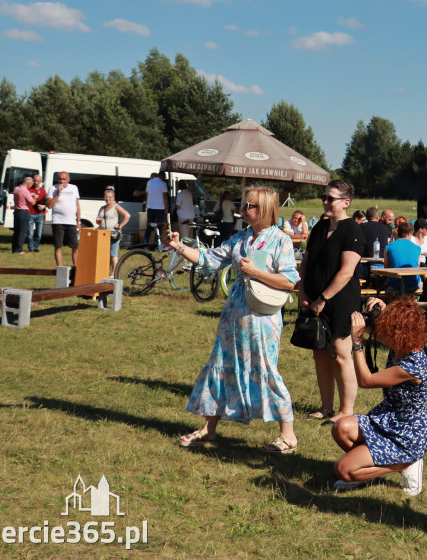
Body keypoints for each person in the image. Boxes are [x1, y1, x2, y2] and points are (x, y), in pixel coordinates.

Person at [171, 185, 300, 452]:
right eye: (243, 204)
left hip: (263, 319)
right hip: (233, 316)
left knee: (265, 370)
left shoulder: (280, 240)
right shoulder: (241, 237)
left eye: (249, 205)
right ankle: (208, 430)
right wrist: (178, 246)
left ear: (264, 209)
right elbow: (209, 258)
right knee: (220, 364)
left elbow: (289, 281)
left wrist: (256, 272)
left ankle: (288, 436)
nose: (243, 209)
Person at [332, 297, 427, 495]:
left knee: (342, 470)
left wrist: (357, 343)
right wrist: (381, 309)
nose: (383, 331)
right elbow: (377, 327)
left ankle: (406, 464)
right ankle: (368, 468)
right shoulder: (402, 344)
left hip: (406, 434)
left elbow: (366, 381)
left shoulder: (413, 364)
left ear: (399, 332)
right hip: (387, 419)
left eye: (389, 327)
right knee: (341, 428)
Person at [298, 180, 364, 424]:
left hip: (340, 301)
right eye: (324, 197)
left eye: (330, 198)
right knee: (320, 354)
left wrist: (323, 298)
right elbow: (306, 262)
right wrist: (303, 292)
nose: (325, 201)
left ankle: (346, 411)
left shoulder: (353, 231)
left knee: (341, 354)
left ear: (346, 203)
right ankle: (326, 407)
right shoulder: (318, 227)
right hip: (313, 299)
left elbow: (347, 272)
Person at [45, 171, 81, 267]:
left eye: (64, 179)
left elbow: (77, 205)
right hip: (58, 221)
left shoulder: (74, 188)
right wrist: (58, 194)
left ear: (68, 180)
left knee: (75, 246)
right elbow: (49, 205)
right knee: (58, 246)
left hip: (72, 222)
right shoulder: (53, 188)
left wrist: (79, 221)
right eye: (60, 179)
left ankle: (75, 267)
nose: (62, 181)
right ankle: (60, 267)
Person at [96, 188, 130, 277]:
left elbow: (127, 215)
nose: (108, 199)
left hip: (113, 234)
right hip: (103, 234)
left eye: (110, 197)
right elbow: (98, 220)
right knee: (105, 254)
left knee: (113, 254)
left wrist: (120, 225)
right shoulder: (102, 208)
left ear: (113, 197)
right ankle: (104, 272)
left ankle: (114, 273)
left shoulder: (116, 207)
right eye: (106, 197)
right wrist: (98, 221)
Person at [383, 221, 422, 292]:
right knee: (420, 283)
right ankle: (414, 302)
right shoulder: (417, 248)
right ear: (409, 234)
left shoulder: (388, 247)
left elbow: (386, 268)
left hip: (394, 283)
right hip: (413, 283)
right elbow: (417, 267)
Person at [134, 172, 168, 248]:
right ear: (162, 176)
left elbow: (147, 194)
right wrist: (166, 209)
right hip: (160, 208)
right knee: (159, 227)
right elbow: (165, 197)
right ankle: (156, 244)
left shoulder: (149, 182)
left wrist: (148, 204)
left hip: (150, 207)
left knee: (149, 226)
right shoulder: (163, 183)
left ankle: (145, 243)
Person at [11, 174, 34, 254]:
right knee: (22, 232)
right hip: (24, 212)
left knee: (16, 231)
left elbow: (22, 196)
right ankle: (19, 250)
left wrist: (29, 195)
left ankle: (14, 248)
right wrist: (35, 197)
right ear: (28, 183)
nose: (31, 185)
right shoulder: (26, 191)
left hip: (17, 211)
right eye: (31, 184)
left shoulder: (16, 189)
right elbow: (33, 203)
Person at [26, 173, 47, 253]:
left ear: (41, 181)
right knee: (30, 233)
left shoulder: (42, 190)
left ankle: (36, 247)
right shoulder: (28, 189)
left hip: (40, 214)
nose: (36, 182)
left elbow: (46, 200)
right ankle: (30, 248)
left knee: (38, 233)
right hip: (30, 213)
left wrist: (44, 206)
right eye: (34, 180)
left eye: (38, 181)